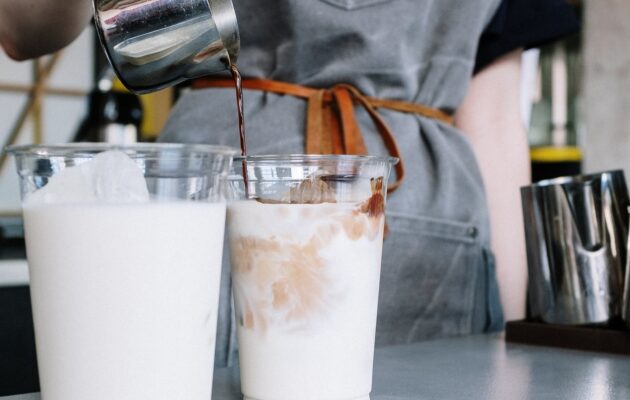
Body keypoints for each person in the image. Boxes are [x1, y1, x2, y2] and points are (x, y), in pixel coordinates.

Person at [1, 0, 578, 365]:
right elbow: (22, 29)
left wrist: (514, 341)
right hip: (212, 206)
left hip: (435, 234)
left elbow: (496, 119)